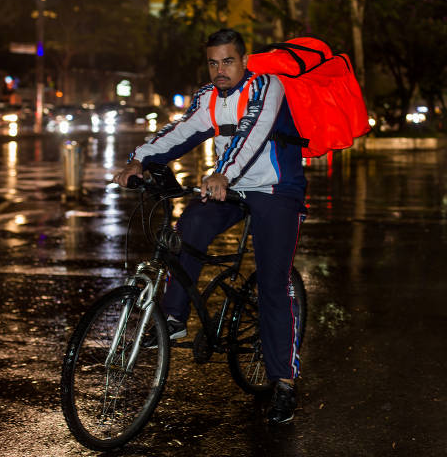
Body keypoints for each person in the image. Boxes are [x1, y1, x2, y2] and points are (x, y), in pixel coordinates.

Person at [113, 28, 306, 424]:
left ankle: (284, 381)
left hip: (275, 188)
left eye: (228, 61)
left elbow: (252, 135)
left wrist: (222, 173)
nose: (220, 70)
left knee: (273, 283)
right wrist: (139, 160)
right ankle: (173, 319)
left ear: (244, 61)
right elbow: (180, 131)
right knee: (190, 225)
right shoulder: (208, 97)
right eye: (213, 63)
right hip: (229, 187)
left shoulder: (267, 87)